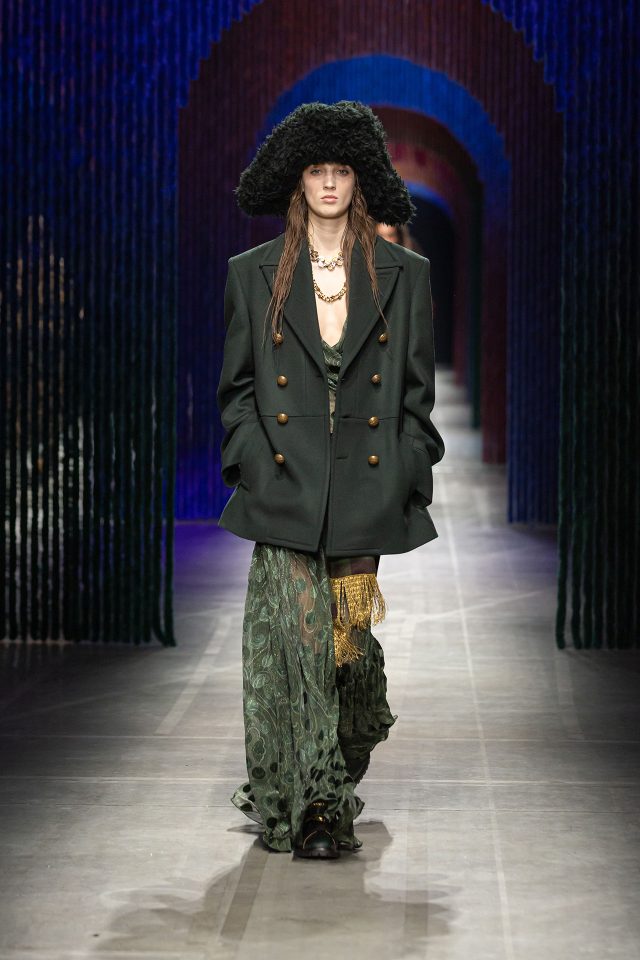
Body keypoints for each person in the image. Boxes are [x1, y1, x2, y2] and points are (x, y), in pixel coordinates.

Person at [216, 101, 445, 860]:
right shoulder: (252, 274)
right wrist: (254, 461)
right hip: (284, 489)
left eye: (341, 170)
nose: (328, 183)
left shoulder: (404, 276)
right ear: (297, 180)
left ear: (359, 181)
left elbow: (415, 397)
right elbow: (237, 391)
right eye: (316, 170)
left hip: (362, 494)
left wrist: (405, 471)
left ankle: (331, 768)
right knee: (300, 641)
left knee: (348, 651)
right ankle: (318, 806)